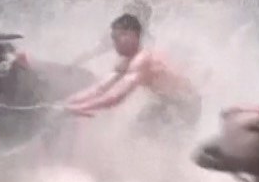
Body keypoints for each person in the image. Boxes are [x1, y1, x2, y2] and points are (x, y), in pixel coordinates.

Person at [62, 14, 200, 138]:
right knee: (135, 132)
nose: (114, 43)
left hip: (186, 104)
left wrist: (80, 108)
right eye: (113, 38)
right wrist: (68, 102)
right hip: (165, 101)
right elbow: (99, 89)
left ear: (133, 36)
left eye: (117, 37)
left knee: (157, 136)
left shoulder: (142, 60)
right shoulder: (127, 61)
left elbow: (115, 97)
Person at [71, 0, 153, 66]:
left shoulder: (145, 37)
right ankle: (72, 65)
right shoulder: (114, 34)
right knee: (94, 51)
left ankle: (73, 64)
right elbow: (92, 52)